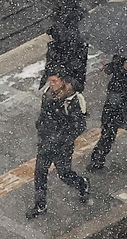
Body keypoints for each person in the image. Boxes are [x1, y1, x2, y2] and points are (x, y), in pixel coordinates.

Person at [28, 75, 90, 219]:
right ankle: (40, 205)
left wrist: (62, 139)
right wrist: (41, 128)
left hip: (62, 146)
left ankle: (82, 184)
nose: (51, 84)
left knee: (64, 174)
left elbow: (79, 126)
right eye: (50, 81)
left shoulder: (72, 100)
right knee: (40, 174)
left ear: (63, 81)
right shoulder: (48, 94)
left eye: (55, 81)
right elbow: (44, 115)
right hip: (46, 143)